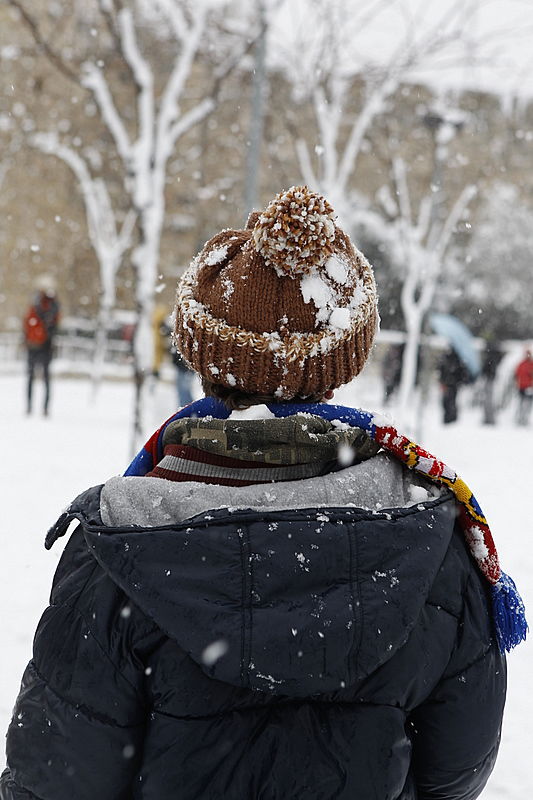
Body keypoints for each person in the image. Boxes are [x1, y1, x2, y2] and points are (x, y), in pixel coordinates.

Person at [1, 187, 526, 800]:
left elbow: (56, 779)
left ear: (202, 356)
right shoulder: (434, 538)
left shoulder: (117, 545)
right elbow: (456, 771)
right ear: (342, 363)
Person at [22, 275, 60, 417]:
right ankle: (37, 407)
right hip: (42, 345)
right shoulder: (50, 305)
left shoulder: (42, 305)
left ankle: (36, 407)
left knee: (35, 378)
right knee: (42, 378)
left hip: (39, 345)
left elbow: (27, 323)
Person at [438, 346, 469, 424]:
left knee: (449, 401)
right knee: (449, 401)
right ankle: (450, 418)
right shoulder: (457, 359)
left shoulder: (451, 359)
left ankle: (450, 418)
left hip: (450, 384)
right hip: (451, 384)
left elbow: (442, 370)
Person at [480, 337, 503, 425]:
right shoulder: (495, 355)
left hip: (490, 379)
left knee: (488, 399)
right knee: (488, 399)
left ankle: (489, 419)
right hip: (491, 378)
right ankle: (489, 418)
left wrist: (484, 372)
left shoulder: (491, 356)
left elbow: (488, 368)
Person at [514, 348, 533, 426]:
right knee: (522, 403)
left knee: (526, 404)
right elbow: (516, 375)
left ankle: (523, 418)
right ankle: (520, 418)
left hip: (528, 387)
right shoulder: (522, 364)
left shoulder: (528, 364)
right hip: (523, 387)